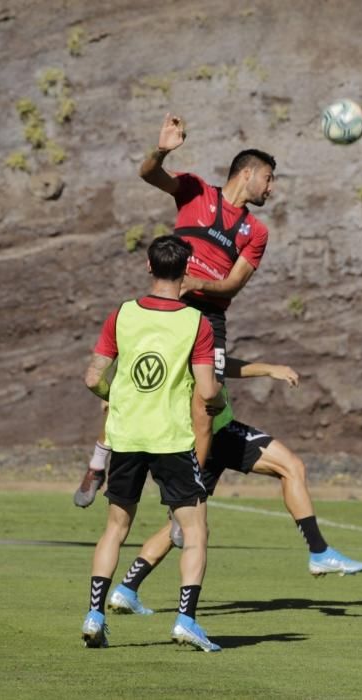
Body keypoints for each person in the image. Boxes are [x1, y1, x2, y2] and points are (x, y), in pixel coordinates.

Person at [74, 113, 276, 504]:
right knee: (133, 387)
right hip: (168, 307)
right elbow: (150, 173)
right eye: (268, 178)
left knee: (204, 405)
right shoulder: (197, 191)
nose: (272, 188)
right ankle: (98, 464)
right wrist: (161, 150)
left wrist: (200, 282)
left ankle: (190, 493)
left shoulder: (258, 232)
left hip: (210, 318)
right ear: (248, 173)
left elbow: (234, 283)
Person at [80, 357, 362, 620]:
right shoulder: (197, 320)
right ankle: (319, 551)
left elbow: (219, 363)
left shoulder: (181, 327)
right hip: (215, 432)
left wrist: (268, 369)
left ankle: (127, 588)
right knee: (291, 466)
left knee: (183, 524)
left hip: (192, 440)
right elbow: (209, 369)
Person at [80, 235, 225, 652]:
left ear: (148, 267)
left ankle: (94, 615)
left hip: (126, 437)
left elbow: (92, 377)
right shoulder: (196, 323)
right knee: (196, 531)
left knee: (115, 528)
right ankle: (185, 620)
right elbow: (207, 389)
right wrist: (215, 403)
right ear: (186, 272)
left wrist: (115, 397)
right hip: (170, 440)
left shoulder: (122, 315)